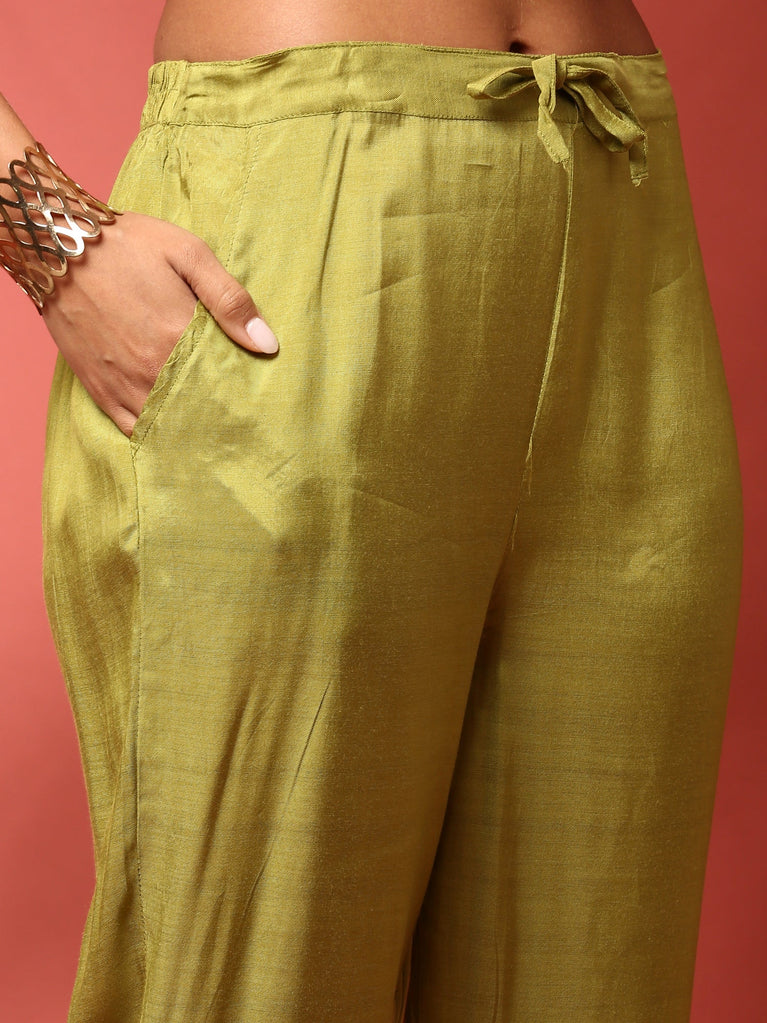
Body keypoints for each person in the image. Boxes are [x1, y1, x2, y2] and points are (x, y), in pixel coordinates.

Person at [0, 0, 744, 1020]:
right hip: (311, 211)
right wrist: (44, 230)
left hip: (623, 198)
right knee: (260, 978)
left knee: (597, 962)